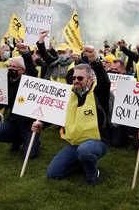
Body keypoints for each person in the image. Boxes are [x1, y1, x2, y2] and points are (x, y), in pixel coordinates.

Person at [31, 45, 111, 185]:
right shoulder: (70, 94)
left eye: (80, 78)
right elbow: (57, 113)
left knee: (85, 151)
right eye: (74, 78)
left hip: (97, 142)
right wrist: (42, 124)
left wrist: (94, 59)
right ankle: (83, 162)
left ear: (90, 80)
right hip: (75, 143)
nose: (75, 81)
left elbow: (105, 81)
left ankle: (93, 174)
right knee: (53, 174)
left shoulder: (99, 93)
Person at [0, 52, 40, 158]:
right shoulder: (6, 82)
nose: (10, 68)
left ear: (22, 70)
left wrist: (26, 54)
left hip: (29, 124)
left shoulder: (29, 82)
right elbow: (3, 101)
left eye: (14, 67)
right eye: (9, 66)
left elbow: (33, 71)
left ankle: (34, 139)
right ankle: (18, 139)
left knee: (30, 155)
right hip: (14, 121)